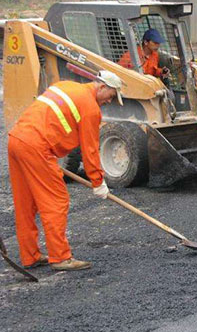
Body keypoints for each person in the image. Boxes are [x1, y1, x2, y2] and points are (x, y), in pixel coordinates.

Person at [8, 71, 123, 271]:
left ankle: (30, 256)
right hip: (37, 147)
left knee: (25, 203)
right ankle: (60, 257)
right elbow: (90, 149)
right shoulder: (90, 108)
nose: (109, 101)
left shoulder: (67, 86)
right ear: (101, 86)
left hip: (17, 139)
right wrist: (98, 182)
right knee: (56, 200)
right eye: (111, 96)